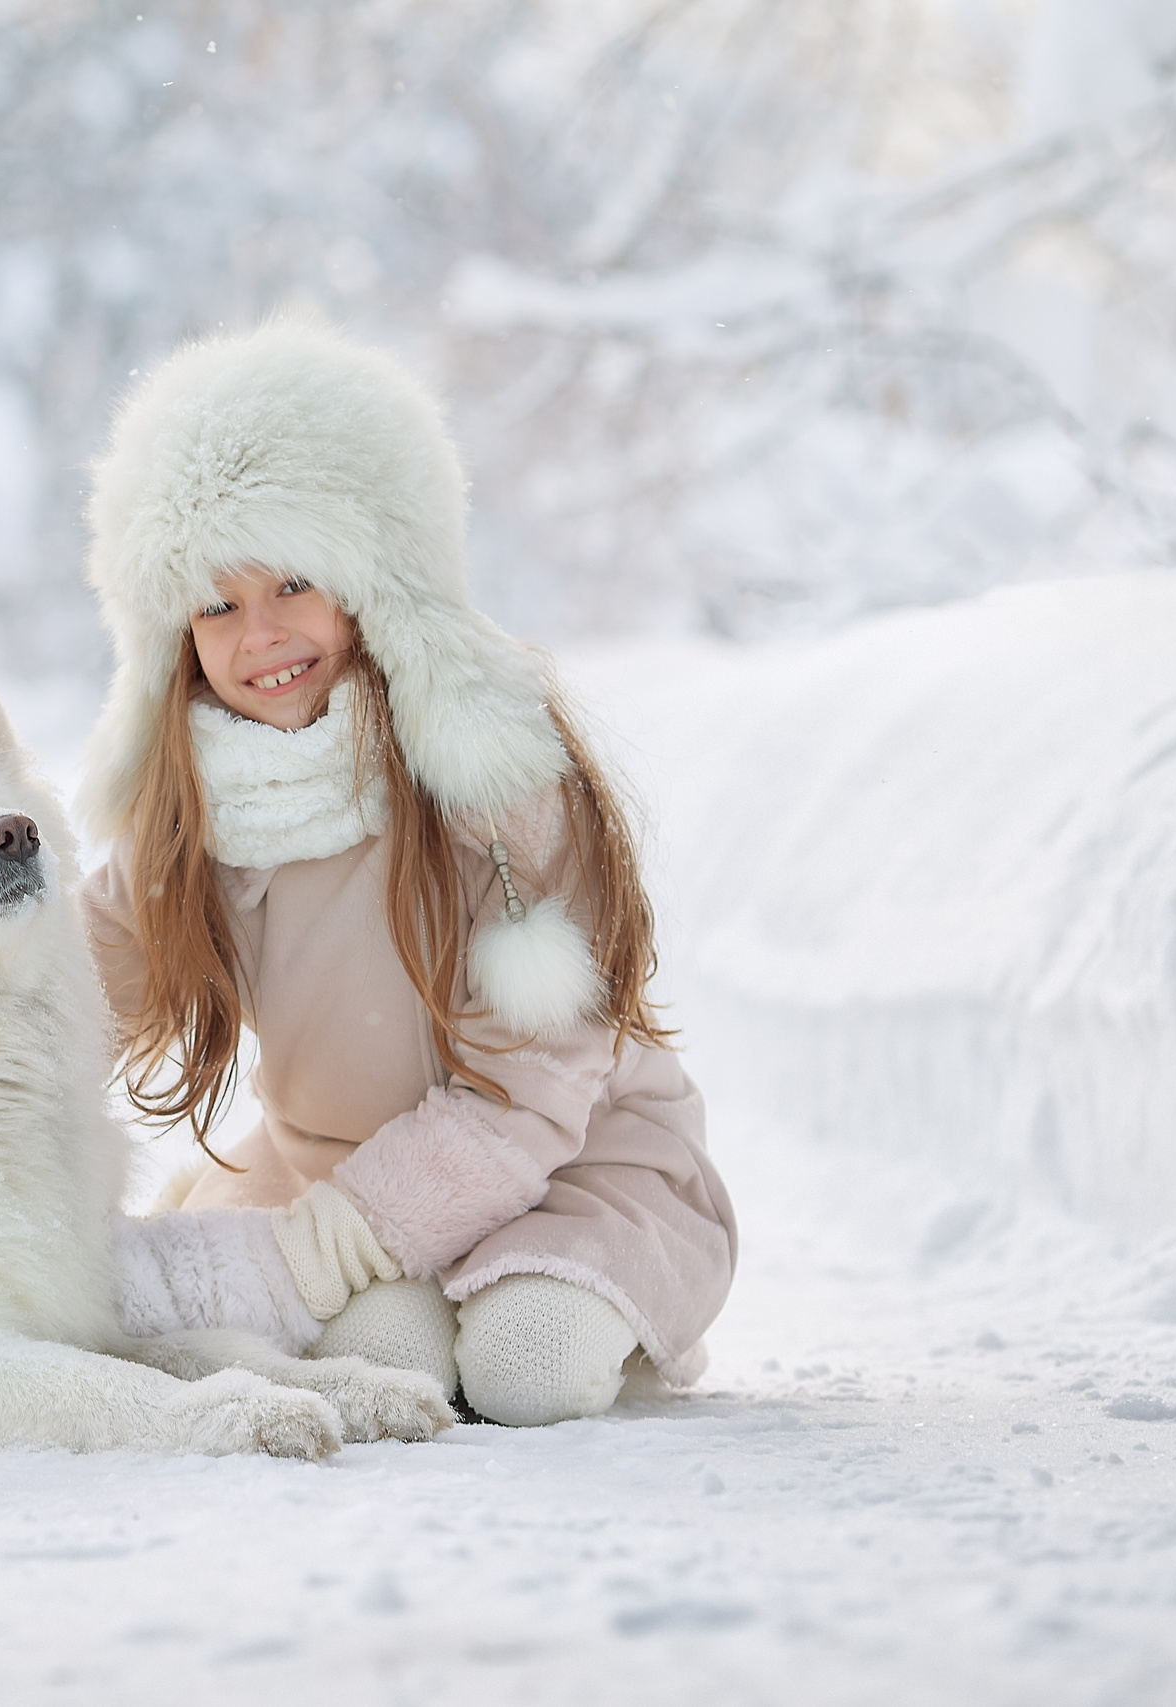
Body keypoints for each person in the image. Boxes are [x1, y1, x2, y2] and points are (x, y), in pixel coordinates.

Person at [84, 321, 736, 1427]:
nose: (261, 635)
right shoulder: (197, 808)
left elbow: (533, 1084)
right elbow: (65, 991)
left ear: (375, 580)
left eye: (295, 579)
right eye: (216, 602)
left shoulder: (496, 772)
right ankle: (415, 1299)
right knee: (390, 1359)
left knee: (524, 1367)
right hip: (332, 1178)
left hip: (568, 1162)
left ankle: (602, 1305)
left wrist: (327, 1251)